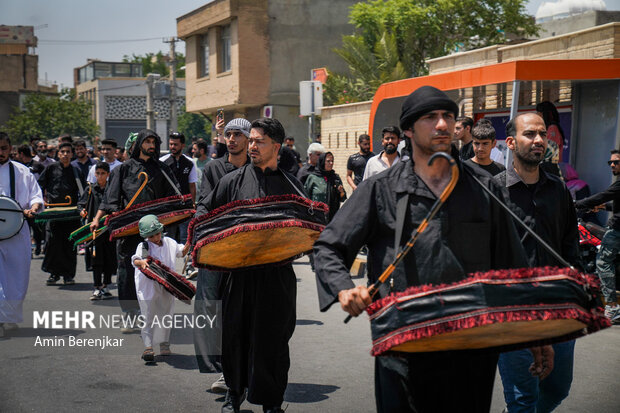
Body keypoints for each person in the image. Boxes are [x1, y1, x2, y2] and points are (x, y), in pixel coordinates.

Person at [313, 86, 540, 413]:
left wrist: (535, 330)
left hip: (471, 349)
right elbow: (329, 247)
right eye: (430, 117)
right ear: (408, 128)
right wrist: (344, 290)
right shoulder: (381, 188)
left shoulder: (484, 186)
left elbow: (511, 264)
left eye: (448, 116)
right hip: (402, 345)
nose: (443, 125)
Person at [196, 118, 305, 413]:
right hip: (238, 274)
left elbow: (311, 224)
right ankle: (234, 394)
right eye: (252, 140)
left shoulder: (291, 185)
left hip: (276, 276)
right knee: (235, 337)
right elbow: (206, 212)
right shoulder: (231, 182)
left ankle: (272, 402)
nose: (252, 146)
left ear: (276, 147)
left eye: (259, 141)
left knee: (273, 341)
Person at [495, 112, 580, 413]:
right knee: (522, 398)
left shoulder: (558, 190)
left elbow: (571, 243)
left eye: (542, 134)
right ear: (510, 142)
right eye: (530, 134)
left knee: (557, 389)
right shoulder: (494, 192)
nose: (539, 140)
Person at [92, 129, 180, 333]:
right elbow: (110, 200)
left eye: (153, 142)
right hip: (128, 230)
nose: (151, 145)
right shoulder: (122, 170)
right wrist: (104, 218)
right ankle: (130, 313)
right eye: (147, 141)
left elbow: (173, 197)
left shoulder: (162, 169)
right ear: (139, 143)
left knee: (155, 270)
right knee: (128, 271)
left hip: (155, 230)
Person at [194, 118, 251, 394]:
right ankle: (222, 370)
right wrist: (200, 236)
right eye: (228, 134)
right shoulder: (214, 168)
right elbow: (204, 204)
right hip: (218, 246)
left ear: (249, 139)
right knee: (212, 306)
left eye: (238, 134)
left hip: (250, 252)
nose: (232, 139)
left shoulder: (258, 170)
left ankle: (247, 370)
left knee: (245, 311)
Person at [0, 133, 43, 337]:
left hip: (17, 231)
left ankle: (9, 315)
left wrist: (34, 206)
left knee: (17, 276)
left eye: (3, 148)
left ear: (11, 149)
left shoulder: (22, 171)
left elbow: (36, 195)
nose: (0, 153)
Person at [132, 214, 189, 361]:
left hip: (166, 284)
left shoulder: (170, 242)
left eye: (157, 234)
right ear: (146, 236)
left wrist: (191, 241)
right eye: (151, 236)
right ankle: (148, 347)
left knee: (166, 313)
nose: (156, 238)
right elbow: (136, 259)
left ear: (161, 230)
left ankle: (164, 343)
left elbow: (181, 252)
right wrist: (142, 262)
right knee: (148, 313)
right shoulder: (143, 246)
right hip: (148, 284)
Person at [575, 149, 620, 324]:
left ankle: (612, 307)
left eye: (616, 162)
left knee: (603, 262)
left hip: (617, 230)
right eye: (610, 163)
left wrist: (577, 204)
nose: (613, 165)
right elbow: (611, 202)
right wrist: (603, 207)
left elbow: (601, 196)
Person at [38, 142, 85, 285]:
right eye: (62, 152)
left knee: (70, 244)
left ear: (72, 154)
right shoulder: (51, 168)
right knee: (54, 243)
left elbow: (83, 192)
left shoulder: (76, 171)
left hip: (71, 213)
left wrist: (81, 207)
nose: (65, 154)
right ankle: (54, 274)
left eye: (68, 152)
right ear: (59, 154)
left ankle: (68, 275)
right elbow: (40, 185)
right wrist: (43, 201)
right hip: (54, 212)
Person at [77, 161, 116, 301]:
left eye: (103, 174)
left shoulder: (112, 189)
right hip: (94, 230)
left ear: (108, 174)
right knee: (96, 259)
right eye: (97, 173)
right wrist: (82, 211)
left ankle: (106, 286)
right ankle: (96, 287)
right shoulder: (90, 189)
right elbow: (80, 204)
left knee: (109, 259)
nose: (100, 176)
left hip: (109, 229)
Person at [160, 132, 198, 245]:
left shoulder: (189, 163)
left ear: (182, 145)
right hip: (168, 206)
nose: (172, 147)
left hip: (184, 205)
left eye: (175, 144)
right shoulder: (162, 162)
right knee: (168, 236)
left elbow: (192, 185)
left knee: (185, 236)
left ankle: (184, 261)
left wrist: (192, 202)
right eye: (171, 144)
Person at [304, 152, 347, 221]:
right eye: (328, 161)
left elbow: (343, 198)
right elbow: (305, 197)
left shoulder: (335, 178)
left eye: (332, 161)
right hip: (316, 217)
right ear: (322, 162)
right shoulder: (312, 178)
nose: (331, 163)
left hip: (332, 218)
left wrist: (341, 192)